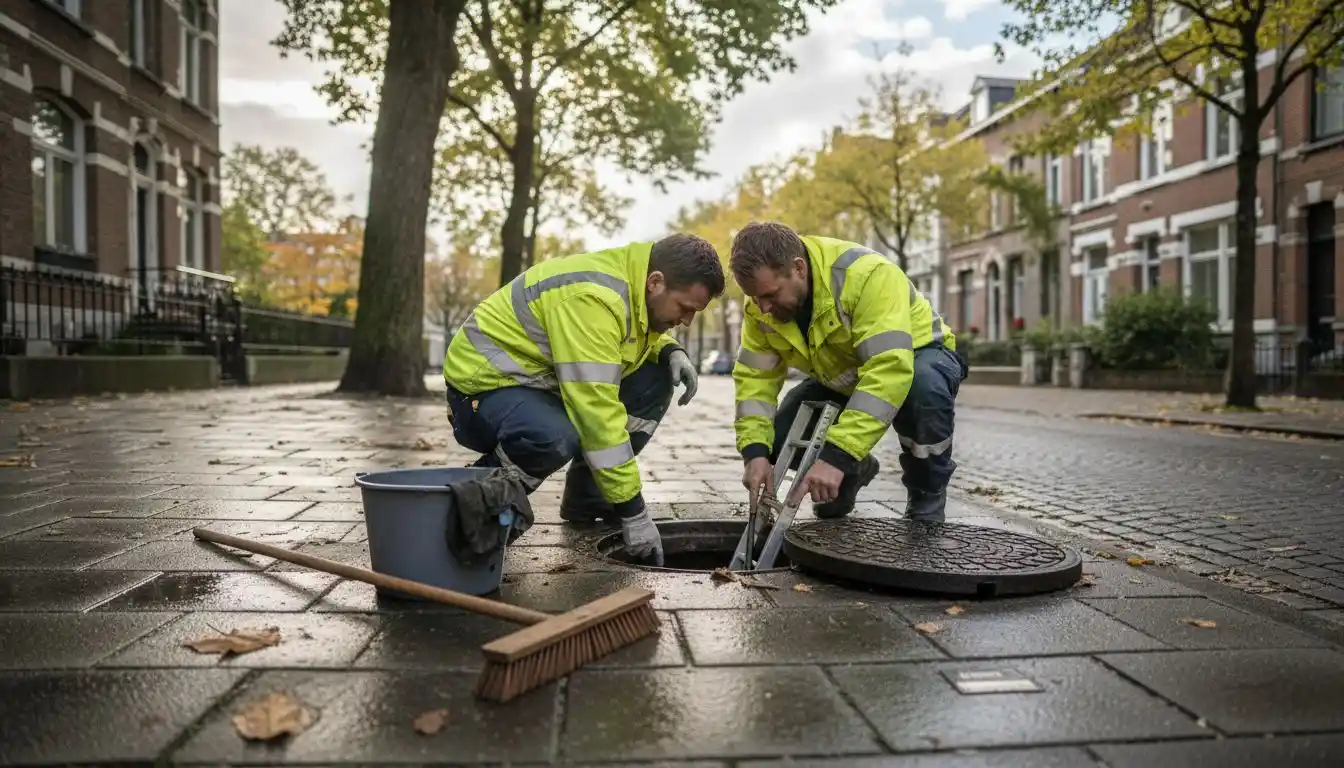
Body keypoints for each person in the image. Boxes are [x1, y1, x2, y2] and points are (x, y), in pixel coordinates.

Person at [443, 234, 726, 566]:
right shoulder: (593, 298)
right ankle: (479, 504)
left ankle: (589, 499)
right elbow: (596, 413)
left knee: (654, 379)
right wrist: (633, 511)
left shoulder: (633, 286)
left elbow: (630, 335)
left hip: (534, 384)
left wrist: (670, 349)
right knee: (555, 436)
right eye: (685, 308)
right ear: (656, 282)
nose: (687, 320)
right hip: (480, 390)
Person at [729, 221, 969, 522]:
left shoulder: (867, 275)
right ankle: (852, 476)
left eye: (770, 295)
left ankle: (926, 498)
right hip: (843, 374)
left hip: (921, 356)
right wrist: (754, 454)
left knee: (923, 388)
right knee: (777, 440)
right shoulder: (759, 305)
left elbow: (889, 369)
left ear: (799, 268)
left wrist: (837, 456)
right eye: (754, 297)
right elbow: (755, 380)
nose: (762, 307)